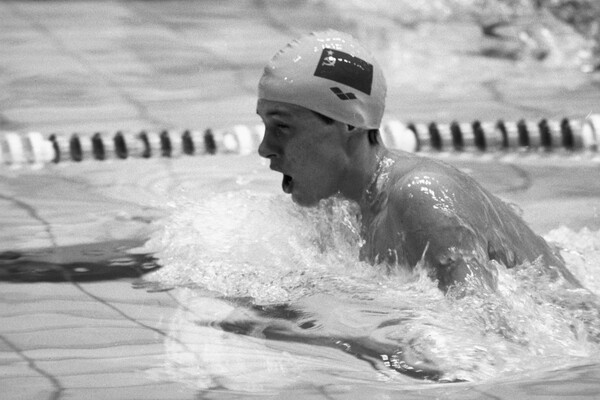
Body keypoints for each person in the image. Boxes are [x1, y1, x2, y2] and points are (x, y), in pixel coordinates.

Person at [256, 30, 580, 292]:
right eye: (265, 126)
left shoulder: (422, 196)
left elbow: (486, 340)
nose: (264, 148)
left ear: (350, 122)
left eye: (282, 127)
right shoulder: (334, 212)